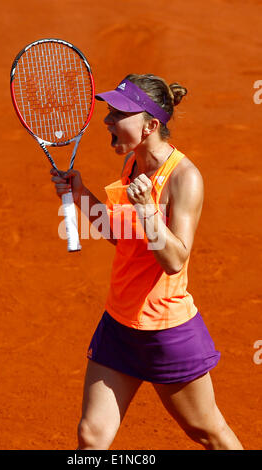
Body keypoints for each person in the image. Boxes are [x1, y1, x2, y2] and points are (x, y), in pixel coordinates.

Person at [51, 74, 243, 450]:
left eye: (118, 114)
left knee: (209, 433)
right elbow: (117, 233)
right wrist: (80, 194)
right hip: (120, 323)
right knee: (91, 435)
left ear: (151, 125)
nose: (106, 121)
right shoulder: (133, 166)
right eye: (108, 112)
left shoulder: (184, 178)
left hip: (165, 332)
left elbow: (174, 260)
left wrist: (148, 211)